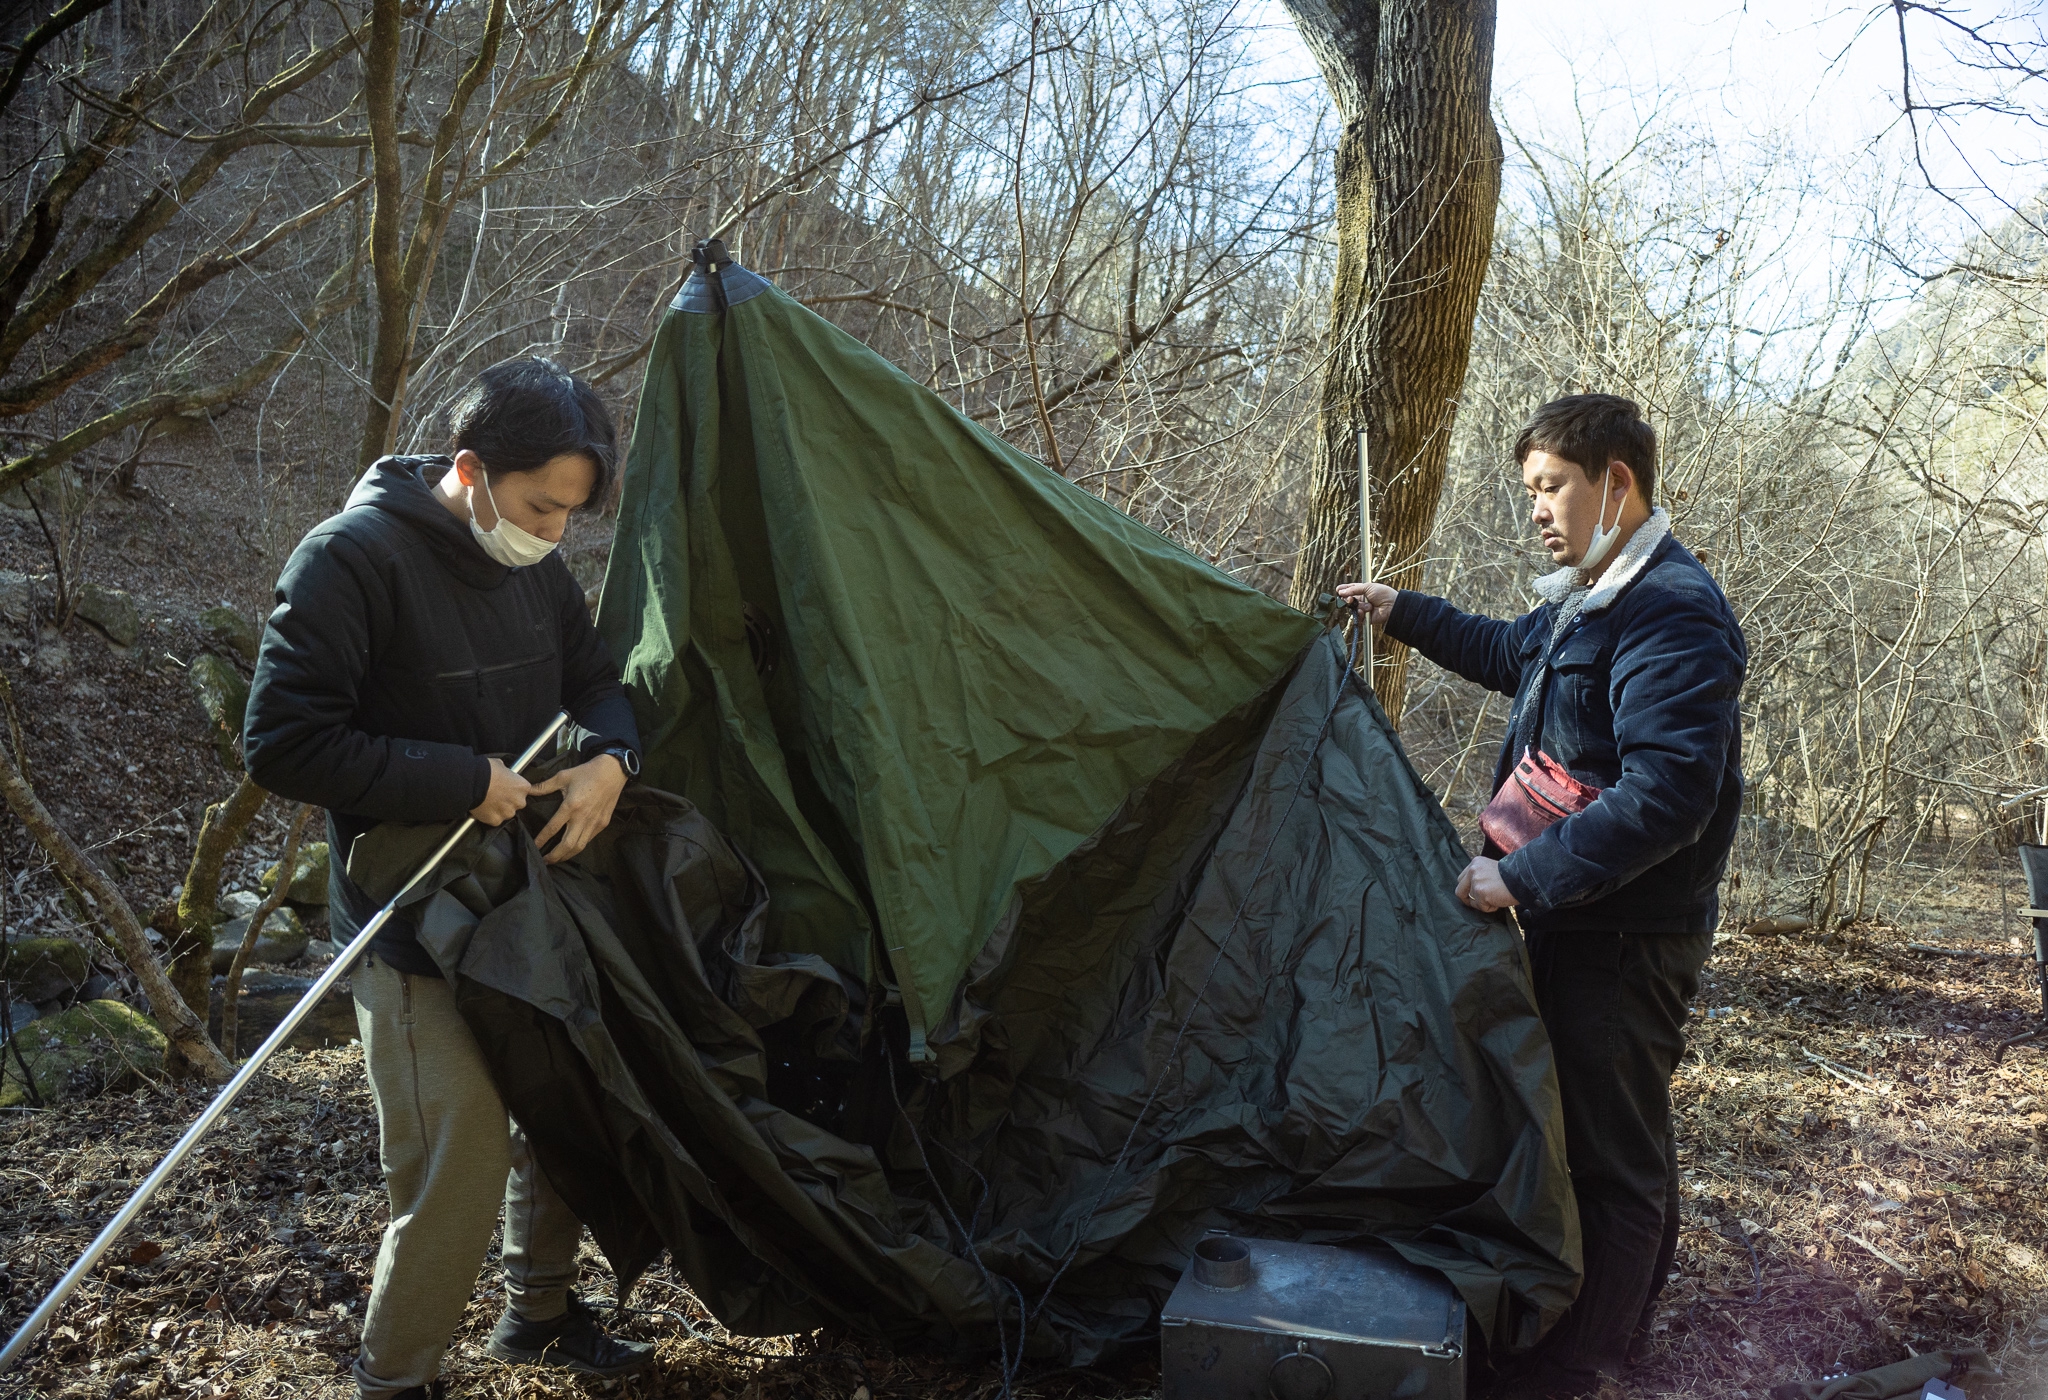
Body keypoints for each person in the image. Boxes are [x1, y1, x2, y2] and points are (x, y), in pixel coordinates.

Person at [243, 358, 655, 1400]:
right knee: (454, 1163)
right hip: (411, 918)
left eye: (571, 512)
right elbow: (283, 742)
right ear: (469, 470)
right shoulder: (349, 559)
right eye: (537, 506)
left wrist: (613, 756)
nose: (554, 532)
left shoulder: (536, 566)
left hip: (533, 900)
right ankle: (397, 1373)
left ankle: (541, 1313)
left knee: (566, 1110)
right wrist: (459, 777)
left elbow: (596, 680)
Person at [1339, 394, 1746, 1399]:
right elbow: (1507, 651)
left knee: (1612, 1154)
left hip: (1621, 933)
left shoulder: (1669, 607)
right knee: (1610, 1131)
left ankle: (1581, 1361)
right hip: (1576, 917)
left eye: (1549, 485)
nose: (1534, 508)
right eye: (1528, 489)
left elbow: (1668, 793)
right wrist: (1401, 610)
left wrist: (1518, 874)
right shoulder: (1588, 593)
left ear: (1615, 482)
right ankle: (1609, 1328)